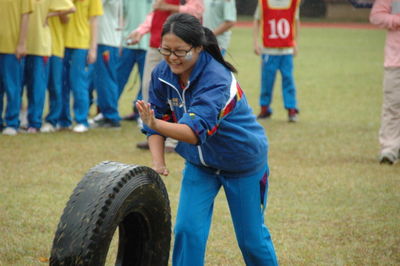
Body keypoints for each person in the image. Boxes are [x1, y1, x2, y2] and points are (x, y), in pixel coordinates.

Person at [136, 13, 278, 266]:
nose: (172, 58)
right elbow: (156, 119)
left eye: (180, 51)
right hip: (201, 166)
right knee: (187, 232)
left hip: (242, 164)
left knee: (251, 241)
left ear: (198, 48)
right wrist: (158, 162)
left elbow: (191, 132)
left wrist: (155, 123)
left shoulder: (217, 78)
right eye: (166, 50)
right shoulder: (162, 73)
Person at [128, 0, 204, 152]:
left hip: (179, 47)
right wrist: (141, 30)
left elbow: (197, 12)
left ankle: (174, 140)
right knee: (148, 88)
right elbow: (155, 14)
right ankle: (154, 134)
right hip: (156, 44)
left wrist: (170, 7)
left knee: (176, 93)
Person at [59, 0, 103, 133]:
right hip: (61, 43)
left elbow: (94, 21)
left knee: (79, 84)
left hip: (82, 44)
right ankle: (63, 120)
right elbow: (62, 17)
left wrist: (93, 49)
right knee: (61, 84)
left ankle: (81, 120)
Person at [253, 0, 300, 122]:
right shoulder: (263, 3)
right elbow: (257, 21)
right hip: (269, 50)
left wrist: (296, 43)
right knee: (267, 81)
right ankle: (265, 108)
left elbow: (296, 22)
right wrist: (255, 42)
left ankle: (291, 109)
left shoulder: (293, 3)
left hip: (286, 50)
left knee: (288, 79)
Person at [370, 0, 400, 164]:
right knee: (392, 106)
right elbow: (376, 16)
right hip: (395, 62)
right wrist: (397, 20)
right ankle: (389, 149)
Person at [41, 4, 76, 133]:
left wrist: (50, 14)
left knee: (55, 86)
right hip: (36, 47)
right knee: (36, 87)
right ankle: (34, 120)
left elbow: (68, 17)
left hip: (55, 48)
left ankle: (52, 120)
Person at [0, 0, 33, 136]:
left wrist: (22, 43)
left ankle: (12, 123)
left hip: (12, 47)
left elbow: (25, 16)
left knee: (13, 87)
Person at [117, 0, 152, 122]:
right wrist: (119, 41)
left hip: (149, 45)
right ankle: (108, 111)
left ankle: (140, 113)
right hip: (128, 42)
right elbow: (120, 17)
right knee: (118, 78)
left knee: (147, 83)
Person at [90, 0, 123, 129]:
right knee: (103, 79)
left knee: (106, 80)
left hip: (105, 41)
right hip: (107, 40)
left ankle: (111, 116)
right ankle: (106, 114)